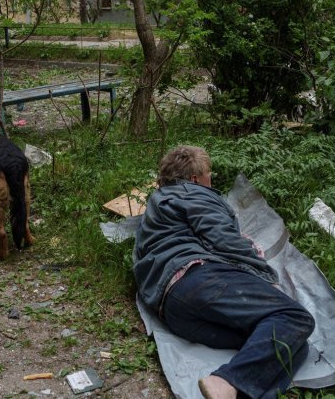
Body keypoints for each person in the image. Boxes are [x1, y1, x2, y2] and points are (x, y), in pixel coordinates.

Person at [133, 146, 314, 399]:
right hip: (197, 278)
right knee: (295, 317)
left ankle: (233, 391)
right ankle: (224, 381)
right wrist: (265, 277)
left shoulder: (157, 206)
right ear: (196, 178)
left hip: (173, 308)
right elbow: (224, 238)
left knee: (289, 344)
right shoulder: (193, 194)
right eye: (209, 173)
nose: (212, 178)